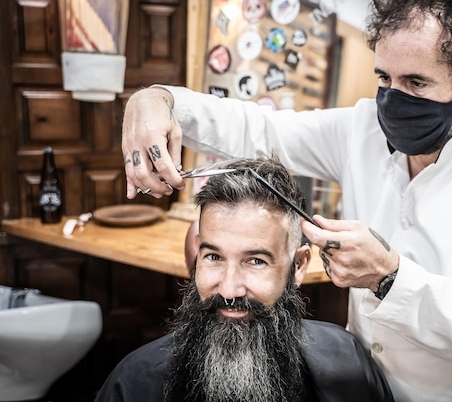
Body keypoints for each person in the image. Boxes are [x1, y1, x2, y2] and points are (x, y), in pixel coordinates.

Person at [120, 0, 452, 400]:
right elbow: (259, 127)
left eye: (416, 83)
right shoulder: (363, 127)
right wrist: (159, 99)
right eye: (384, 78)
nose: (393, 99)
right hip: (363, 388)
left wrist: (389, 277)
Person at [94, 157, 395, 402]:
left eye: (256, 261)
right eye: (214, 257)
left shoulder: (345, 365)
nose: (228, 288)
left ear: (299, 265)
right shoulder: (135, 383)